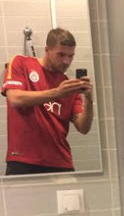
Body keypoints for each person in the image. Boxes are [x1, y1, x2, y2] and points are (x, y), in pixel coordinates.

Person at [1, 27, 93, 174]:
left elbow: (83, 128)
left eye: (71, 56)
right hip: (23, 160)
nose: (66, 61)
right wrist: (57, 93)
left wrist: (88, 100)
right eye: (61, 54)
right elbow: (15, 99)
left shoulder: (68, 86)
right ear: (47, 50)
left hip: (61, 162)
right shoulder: (21, 63)